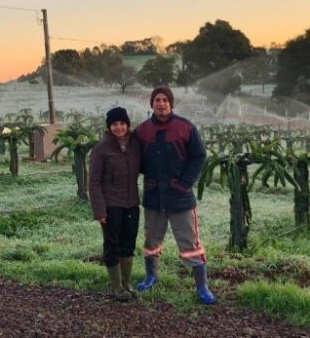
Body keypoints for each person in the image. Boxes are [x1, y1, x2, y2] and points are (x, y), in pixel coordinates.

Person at [134, 85, 217, 305]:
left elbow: (199, 156)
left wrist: (185, 184)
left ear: (171, 104)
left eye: (165, 100)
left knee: (190, 243)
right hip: (153, 197)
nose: (161, 104)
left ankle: (202, 287)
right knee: (151, 240)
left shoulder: (185, 127)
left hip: (180, 197)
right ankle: (151, 277)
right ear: (151, 104)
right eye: (157, 100)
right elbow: (134, 159)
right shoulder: (142, 131)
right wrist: (148, 175)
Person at [88, 107, 141, 301]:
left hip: (132, 203)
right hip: (111, 205)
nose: (119, 127)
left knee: (129, 243)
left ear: (127, 125)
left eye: (122, 123)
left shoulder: (135, 145)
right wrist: (99, 210)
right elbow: (93, 182)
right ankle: (116, 287)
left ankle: (127, 284)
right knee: (112, 245)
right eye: (114, 124)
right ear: (109, 127)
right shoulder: (101, 149)